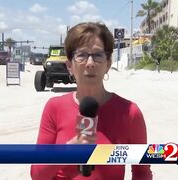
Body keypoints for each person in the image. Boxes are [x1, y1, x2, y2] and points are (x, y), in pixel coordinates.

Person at [30, 22, 152, 180]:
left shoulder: (130, 112)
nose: (90, 63)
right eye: (81, 55)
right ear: (69, 65)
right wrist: (67, 152)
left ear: (108, 63)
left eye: (98, 55)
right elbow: (37, 175)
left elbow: (141, 173)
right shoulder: (54, 108)